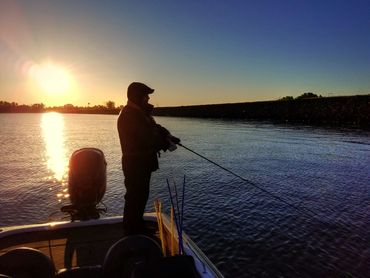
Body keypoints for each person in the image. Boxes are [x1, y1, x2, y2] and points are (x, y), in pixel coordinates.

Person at [117, 82, 180, 235]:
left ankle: (137, 224)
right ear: (137, 96)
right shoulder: (129, 115)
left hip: (142, 164)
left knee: (141, 196)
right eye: (145, 95)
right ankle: (132, 231)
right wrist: (166, 143)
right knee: (135, 197)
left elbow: (154, 128)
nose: (148, 98)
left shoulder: (138, 113)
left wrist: (168, 135)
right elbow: (146, 138)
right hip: (135, 165)